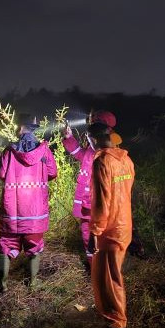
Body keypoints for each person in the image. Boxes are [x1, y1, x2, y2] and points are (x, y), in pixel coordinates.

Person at [0, 113, 57, 292]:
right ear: (33, 129)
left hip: (12, 211)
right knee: (34, 246)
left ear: (21, 128)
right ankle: (33, 283)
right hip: (36, 212)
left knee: (6, 245)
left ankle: (2, 287)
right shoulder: (44, 151)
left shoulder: (9, 151)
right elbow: (53, 173)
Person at [87, 121, 135, 328]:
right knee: (108, 275)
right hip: (124, 225)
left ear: (93, 139)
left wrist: (94, 232)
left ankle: (117, 321)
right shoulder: (126, 159)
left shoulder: (102, 162)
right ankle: (109, 314)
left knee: (109, 277)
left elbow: (101, 202)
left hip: (109, 229)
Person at [61, 110, 117, 269]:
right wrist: (68, 138)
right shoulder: (94, 147)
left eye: (93, 122)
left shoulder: (107, 150)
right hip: (87, 203)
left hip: (98, 202)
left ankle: (102, 267)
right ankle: (95, 266)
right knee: (88, 234)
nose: (89, 123)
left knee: (100, 235)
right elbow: (79, 154)